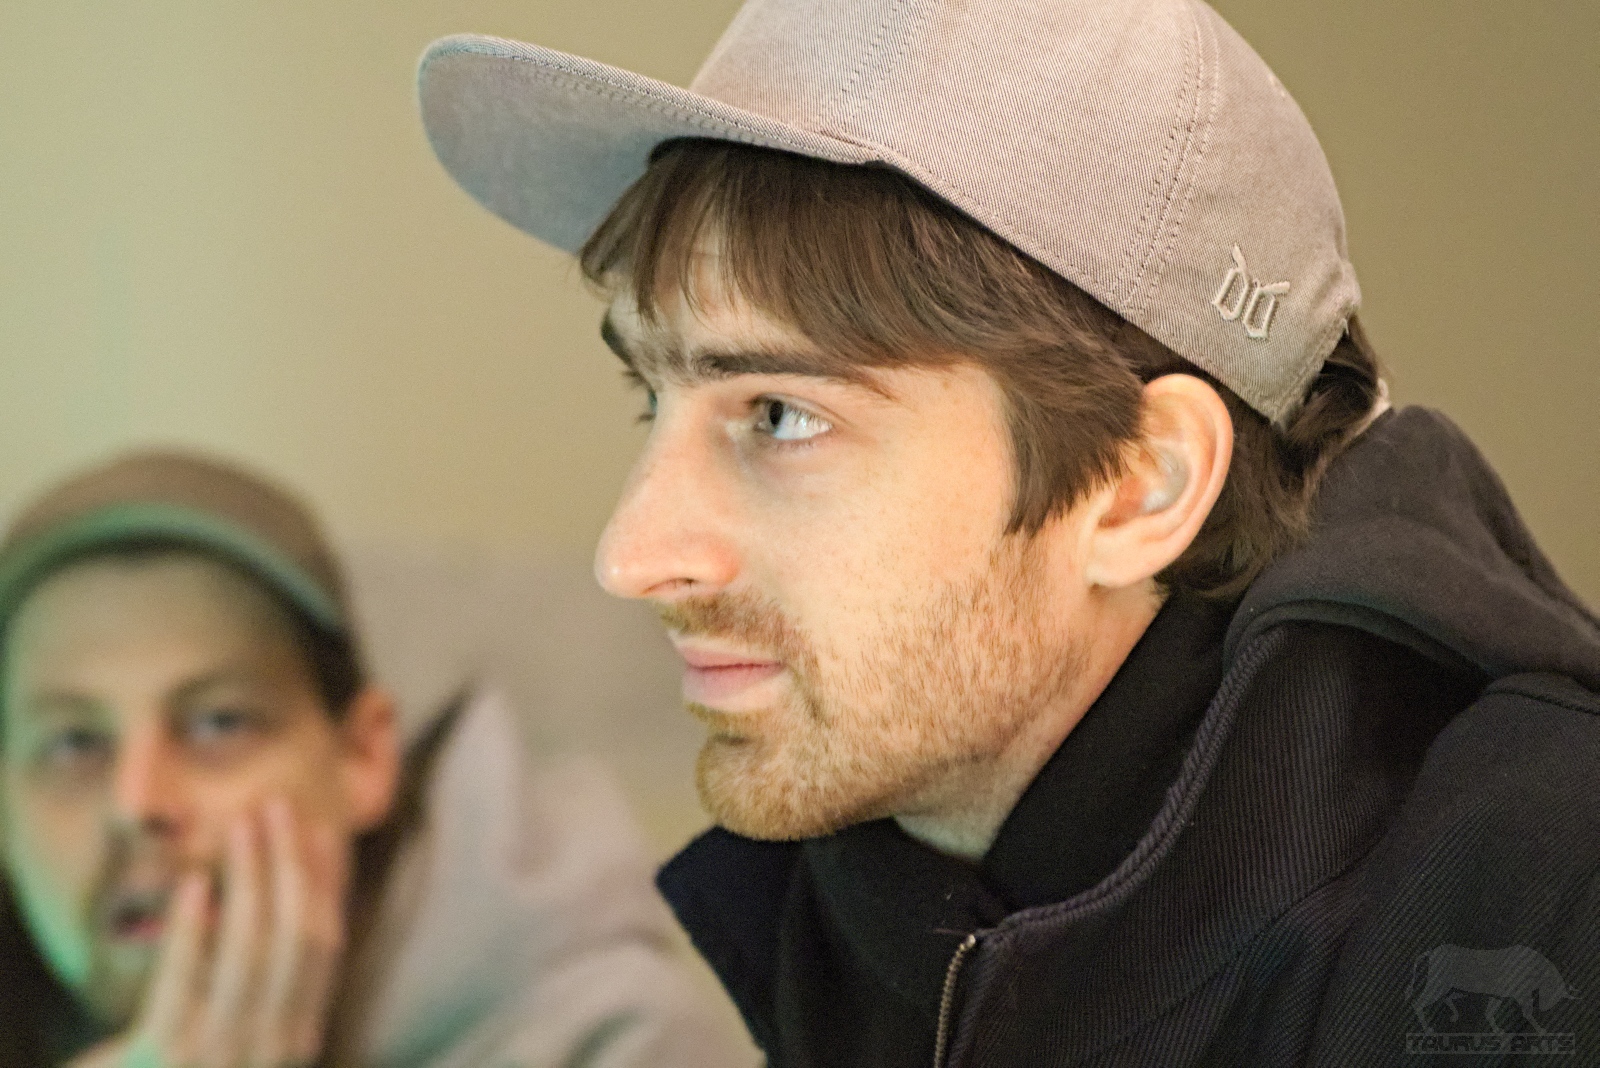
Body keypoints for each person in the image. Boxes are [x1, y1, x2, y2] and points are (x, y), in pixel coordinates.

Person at [416, 1, 1600, 1065]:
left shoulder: (1544, 907)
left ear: (1138, 486)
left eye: (779, 415)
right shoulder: (881, 887)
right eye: (651, 398)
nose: (631, 555)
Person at [0, 450, 756, 1067]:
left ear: (362, 757)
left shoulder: (614, 1043)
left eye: (218, 723)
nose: (137, 802)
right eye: (72, 743)